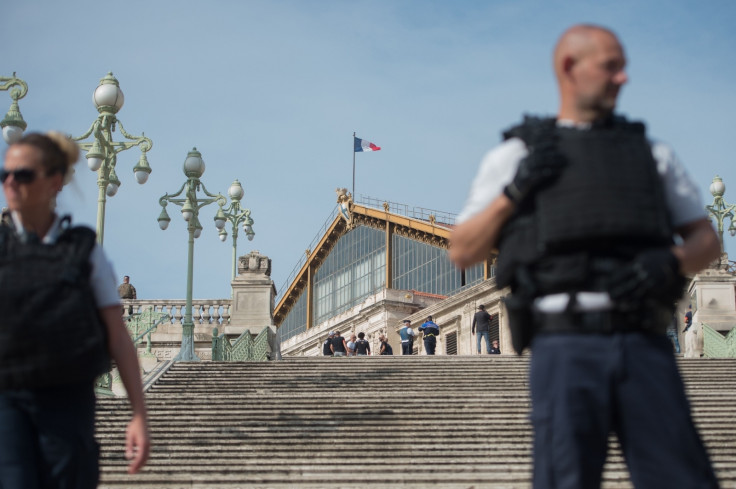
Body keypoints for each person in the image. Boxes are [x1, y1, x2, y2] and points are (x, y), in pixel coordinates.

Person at [449, 25, 720, 489]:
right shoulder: (516, 156)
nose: (623, 78)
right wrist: (515, 192)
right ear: (570, 67)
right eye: (611, 66)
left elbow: (707, 239)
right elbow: (463, 249)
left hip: (643, 339)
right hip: (563, 344)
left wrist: (672, 262)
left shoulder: (651, 154)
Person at [0, 132, 150, 488]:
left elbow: (118, 336)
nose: (10, 183)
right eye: (4, 175)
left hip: (66, 400)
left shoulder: (83, 250)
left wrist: (139, 414)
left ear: (54, 181)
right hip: (7, 397)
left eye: (22, 174)